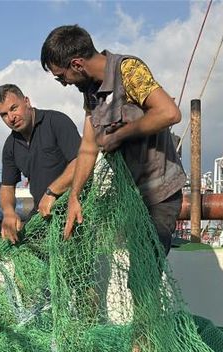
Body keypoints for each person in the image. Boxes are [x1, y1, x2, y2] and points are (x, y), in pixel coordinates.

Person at [40, 25, 187, 256]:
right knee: (134, 270)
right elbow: (88, 147)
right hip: (130, 197)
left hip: (160, 194)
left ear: (77, 64)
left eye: (62, 77)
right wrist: (75, 196)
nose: (64, 83)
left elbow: (170, 113)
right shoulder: (90, 90)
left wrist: (119, 135)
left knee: (144, 273)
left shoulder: (128, 70)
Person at [0, 84, 81, 243]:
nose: (11, 117)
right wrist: (8, 212)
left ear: (27, 101)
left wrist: (52, 192)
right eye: (4, 115)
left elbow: (80, 162)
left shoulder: (56, 121)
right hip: (43, 215)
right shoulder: (10, 146)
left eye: (14, 108)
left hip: (76, 207)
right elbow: (7, 186)